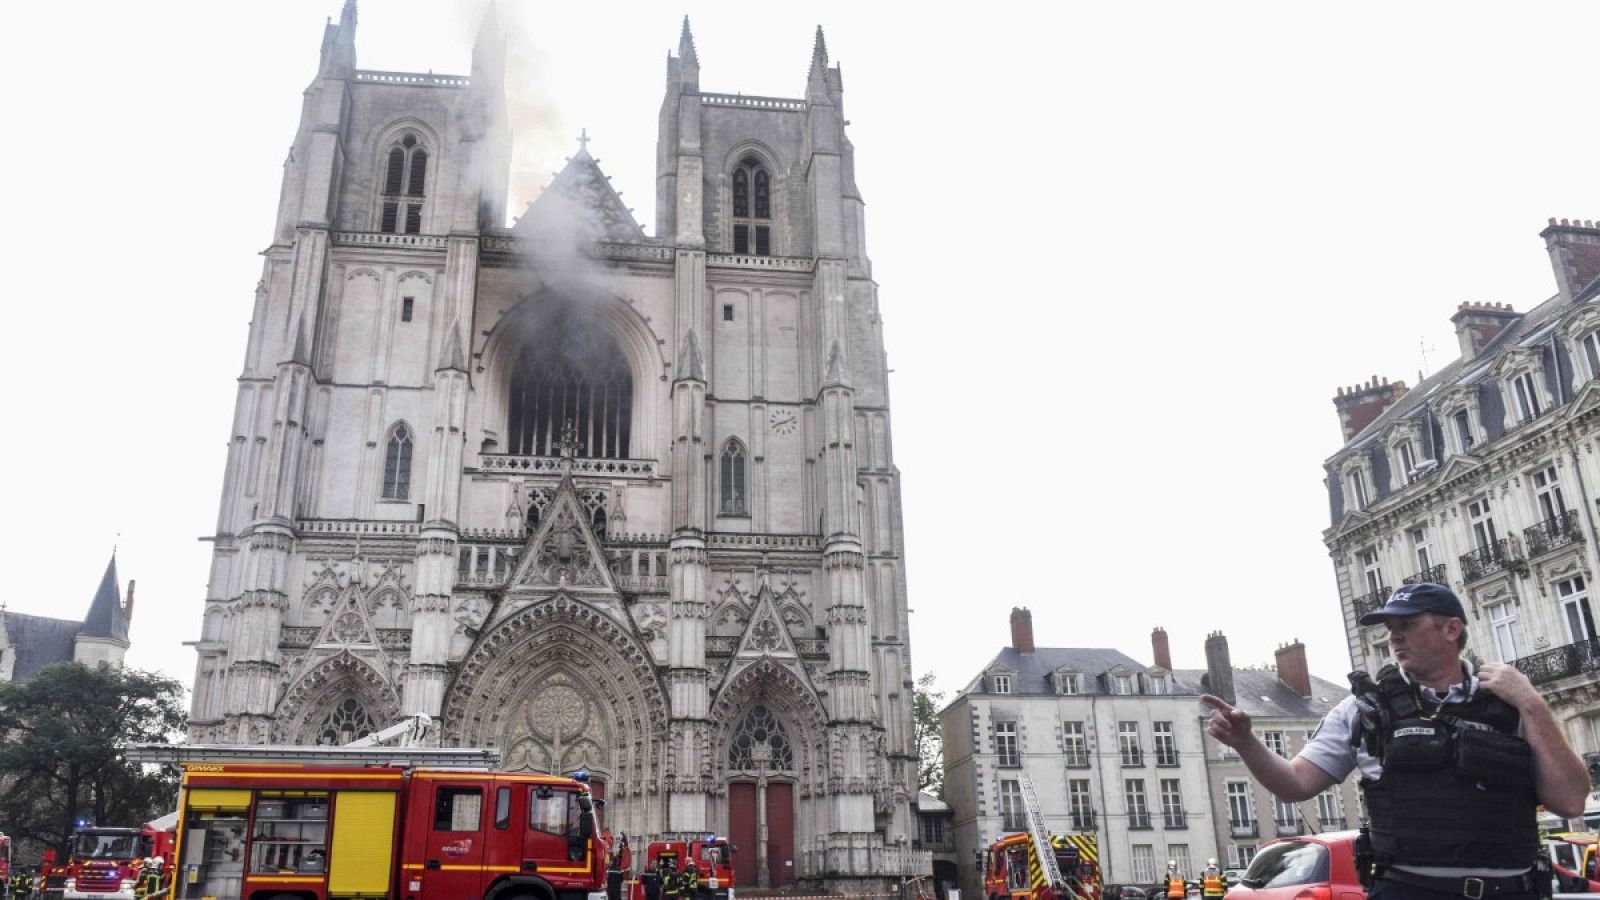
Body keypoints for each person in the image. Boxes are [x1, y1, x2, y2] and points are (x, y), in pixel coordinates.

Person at [1202, 582, 1590, 900]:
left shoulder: (1509, 700)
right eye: (1389, 627)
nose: (1394, 636)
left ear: (1451, 629)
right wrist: (1246, 742)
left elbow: (1570, 800)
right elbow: (1296, 783)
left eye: (1408, 623)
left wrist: (1533, 704)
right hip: (1408, 890)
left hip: (1510, 891)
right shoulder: (1364, 708)